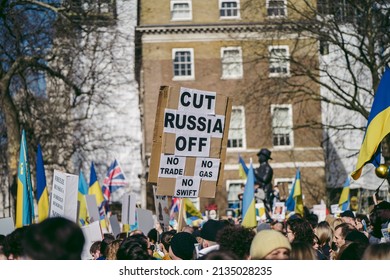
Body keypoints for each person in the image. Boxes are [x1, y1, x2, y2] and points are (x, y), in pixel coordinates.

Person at [254, 148, 274, 213]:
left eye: (261, 156)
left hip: (265, 191)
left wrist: (255, 172)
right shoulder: (259, 168)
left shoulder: (268, 168)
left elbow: (264, 179)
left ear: (265, 157)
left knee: (265, 206)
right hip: (258, 192)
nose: (259, 157)